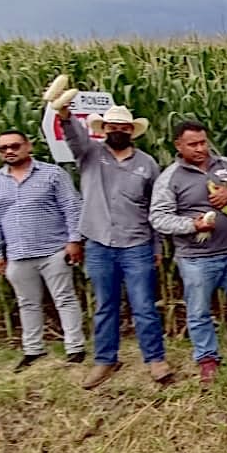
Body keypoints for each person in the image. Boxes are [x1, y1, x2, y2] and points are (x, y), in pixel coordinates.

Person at [151, 120, 227, 385]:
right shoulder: (170, 177)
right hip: (195, 258)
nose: (200, 149)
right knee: (199, 311)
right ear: (178, 145)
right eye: (192, 144)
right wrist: (192, 225)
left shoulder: (226, 166)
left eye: (203, 142)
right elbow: (158, 218)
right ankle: (207, 358)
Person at [62, 103, 172, 389]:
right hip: (99, 243)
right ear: (104, 130)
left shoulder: (147, 164)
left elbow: (155, 208)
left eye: (124, 128)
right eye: (112, 127)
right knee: (105, 306)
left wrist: (157, 246)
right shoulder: (89, 154)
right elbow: (74, 136)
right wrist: (64, 115)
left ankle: (155, 359)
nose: (118, 131)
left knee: (144, 306)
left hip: (137, 243)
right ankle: (105, 359)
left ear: (132, 131)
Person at [0, 129, 87, 372]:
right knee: (27, 303)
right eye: (3, 148)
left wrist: (74, 240)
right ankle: (33, 350)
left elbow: (71, 206)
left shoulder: (52, 174)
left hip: (54, 249)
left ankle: (75, 348)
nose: (9, 151)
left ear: (28, 146)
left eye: (15, 146)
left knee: (65, 298)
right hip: (17, 253)